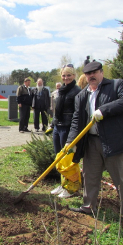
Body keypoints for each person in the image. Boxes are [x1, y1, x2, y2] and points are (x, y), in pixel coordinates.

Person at [66, 61, 123, 234]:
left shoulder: (115, 85)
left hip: (115, 141)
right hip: (91, 143)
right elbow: (77, 120)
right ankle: (88, 207)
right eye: (88, 74)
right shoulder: (81, 96)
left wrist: (104, 110)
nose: (91, 77)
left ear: (101, 72)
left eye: (94, 73)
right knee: (90, 177)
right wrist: (71, 141)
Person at [50, 66, 81, 198]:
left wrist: (73, 135)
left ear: (74, 75)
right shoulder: (61, 90)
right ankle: (63, 184)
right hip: (58, 126)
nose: (66, 78)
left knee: (68, 159)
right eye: (63, 75)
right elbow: (57, 109)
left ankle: (71, 188)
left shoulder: (77, 91)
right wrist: (53, 123)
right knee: (59, 158)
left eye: (69, 75)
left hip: (68, 127)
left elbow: (77, 114)